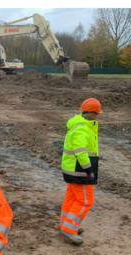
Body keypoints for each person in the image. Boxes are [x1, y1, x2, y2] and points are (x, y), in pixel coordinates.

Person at [59, 98, 101, 245]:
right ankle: (69, 229)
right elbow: (80, 151)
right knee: (85, 201)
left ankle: (66, 224)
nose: (97, 117)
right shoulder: (83, 128)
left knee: (71, 198)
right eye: (96, 114)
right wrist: (89, 170)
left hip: (73, 169)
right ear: (90, 115)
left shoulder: (79, 126)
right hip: (79, 171)